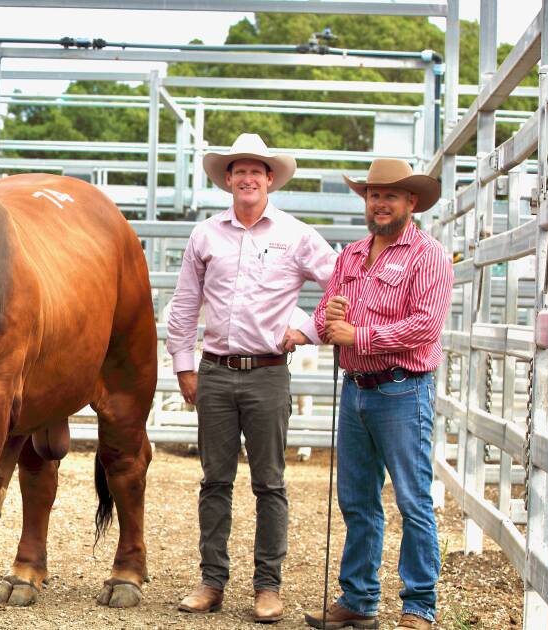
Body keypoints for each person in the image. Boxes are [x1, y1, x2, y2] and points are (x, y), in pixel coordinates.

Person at [167, 133, 336, 623]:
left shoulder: (295, 235)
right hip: (216, 371)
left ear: (269, 180)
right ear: (227, 179)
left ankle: (268, 586)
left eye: (257, 171)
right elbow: (185, 303)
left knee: (269, 483)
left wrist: (305, 328)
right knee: (214, 481)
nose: (247, 178)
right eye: (239, 170)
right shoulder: (205, 235)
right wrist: (183, 363)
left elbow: (341, 282)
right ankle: (212, 580)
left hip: (266, 373)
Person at [305, 158, 453, 630]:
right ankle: (359, 599)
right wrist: (327, 322)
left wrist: (358, 335)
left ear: (411, 201)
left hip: (401, 390)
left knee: (412, 500)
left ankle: (419, 606)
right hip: (357, 391)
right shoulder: (350, 255)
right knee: (356, 500)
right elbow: (326, 314)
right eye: (373, 194)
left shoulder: (428, 255)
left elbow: (425, 325)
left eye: (390, 195)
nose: (380, 203)